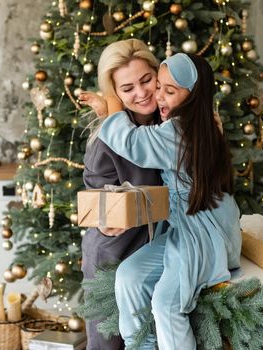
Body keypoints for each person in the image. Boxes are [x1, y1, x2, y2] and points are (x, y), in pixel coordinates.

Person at [95, 53, 242, 349]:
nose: (157, 96)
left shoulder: (178, 132)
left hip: (206, 235)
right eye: (159, 86)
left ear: (193, 97)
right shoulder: (200, 125)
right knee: (129, 275)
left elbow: (132, 143)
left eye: (169, 91)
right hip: (185, 230)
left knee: (166, 303)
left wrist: (109, 112)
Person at [80, 39, 164, 350]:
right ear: (115, 93)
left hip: (159, 252)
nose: (141, 93)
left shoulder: (171, 123)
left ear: (159, 74)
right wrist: (104, 220)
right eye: (128, 88)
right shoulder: (107, 139)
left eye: (146, 80)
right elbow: (95, 192)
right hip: (113, 255)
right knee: (108, 344)